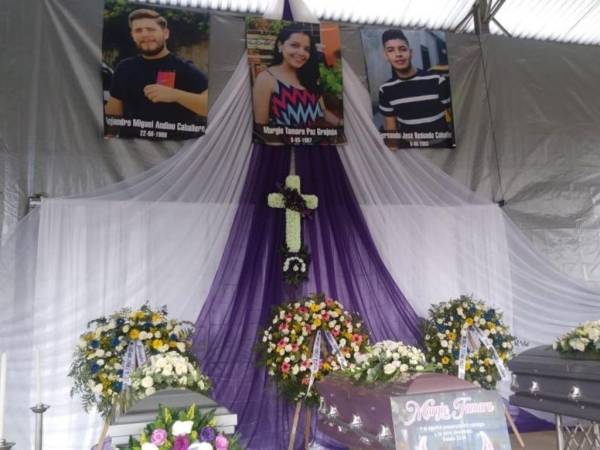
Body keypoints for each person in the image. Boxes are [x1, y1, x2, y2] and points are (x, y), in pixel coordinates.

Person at [104, 9, 208, 138]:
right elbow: (114, 111)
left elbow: (209, 106)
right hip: (131, 151)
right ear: (133, 36)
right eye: (138, 30)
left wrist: (176, 95)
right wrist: (108, 136)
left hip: (174, 152)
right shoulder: (124, 67)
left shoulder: (185, 68)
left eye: (151, 29)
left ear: (165, 33)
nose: (145, 34)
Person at [252, 24, 341, 129]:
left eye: (306, 49)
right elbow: (261, 127)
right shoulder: (266, 78)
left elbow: (322, 112)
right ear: (280, 45)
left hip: (316, 142)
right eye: (295, 45)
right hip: (282, 144)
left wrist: (341, 123)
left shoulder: (311, 75)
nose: (301, 53)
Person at [377, 29, 453, 149]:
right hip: (409, 151)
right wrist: (392, 151)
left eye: (402, 49)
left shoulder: (437, 81)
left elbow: (453, 117)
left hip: (441, 147)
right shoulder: (385, 90)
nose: (398, 54)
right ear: (386, 56)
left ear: (411, 53)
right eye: (391, 50)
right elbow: (391, 127)